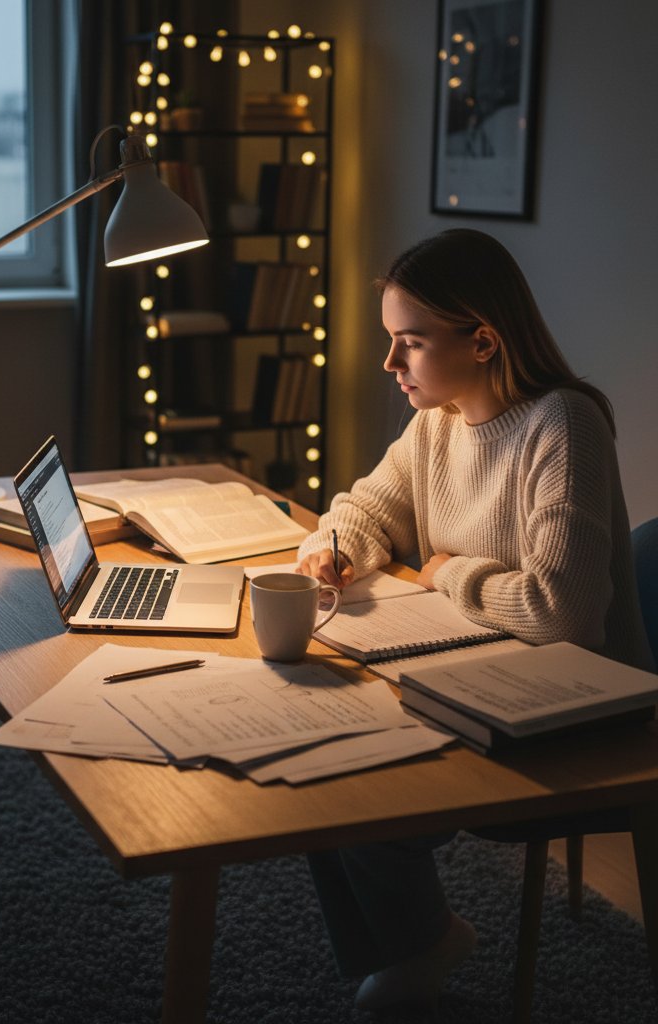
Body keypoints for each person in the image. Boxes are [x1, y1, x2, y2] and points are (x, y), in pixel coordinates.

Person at [296, 228, 653, 1012]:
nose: (391, 365)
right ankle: (412, 943)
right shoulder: (437, 423)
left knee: (353, 773)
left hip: (584, 706)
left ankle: (416, 944)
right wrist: (337, 551)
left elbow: (563, 613)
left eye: (409, 344)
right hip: (482, 668)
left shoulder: (564, 425)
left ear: (484, 341)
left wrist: (445, 571)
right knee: (314, 743)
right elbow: (362, 508)